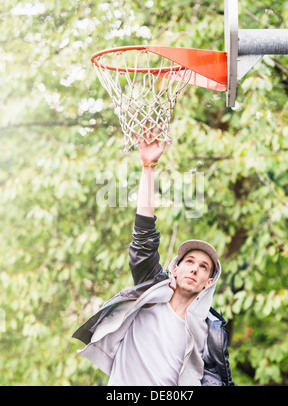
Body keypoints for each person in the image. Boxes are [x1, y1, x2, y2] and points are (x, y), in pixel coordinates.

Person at [72, 126, 234, 386]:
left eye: (204, 267)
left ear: (209, 281)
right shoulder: (150, 291)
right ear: (176, 268)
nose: (194, 269)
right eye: (189, 261)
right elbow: (144, 237)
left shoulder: (210, 333)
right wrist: (148, 166)